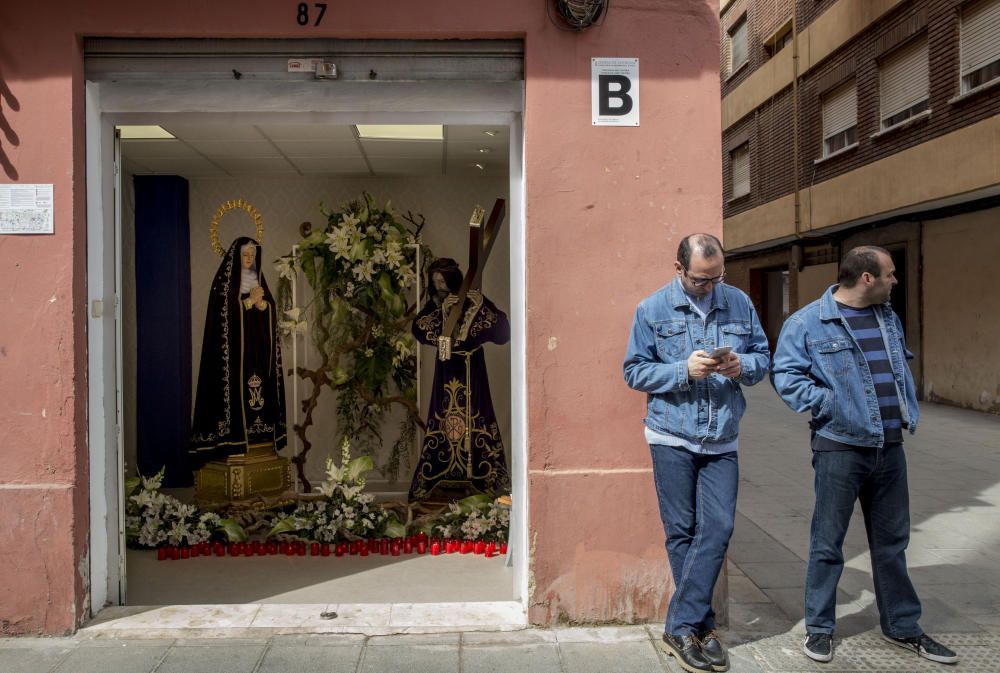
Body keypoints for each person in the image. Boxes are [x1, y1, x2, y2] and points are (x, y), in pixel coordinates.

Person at [771, 246, 958, 665]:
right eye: (890, 274)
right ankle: (819, 628)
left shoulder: (886, 317)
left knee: (892, 542)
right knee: (828, 542)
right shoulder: (807, 322)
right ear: (867, 278)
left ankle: (903, 626)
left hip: (890, 447)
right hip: (840, 446)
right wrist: (830, 403)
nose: (896, 280)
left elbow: (895, 368)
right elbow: (784, 376)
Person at [624, 233, 770, 673]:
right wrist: (681, 370)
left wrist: (742, 365)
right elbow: (634, 371)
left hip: (722, 436)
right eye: (701, 279)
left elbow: (763, 356)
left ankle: (680, 625)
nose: (710, 286)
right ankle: (701, 628)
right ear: (679, 269)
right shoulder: (651, 309)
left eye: (716, 277)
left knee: (719, 527)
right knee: (682, 531)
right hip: (672, 435)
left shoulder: (739, 303)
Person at [409, 257, 511, 502]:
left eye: (443, 281)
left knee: (477, 416)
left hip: (471, 367)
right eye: (435, 282)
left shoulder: (473, 298)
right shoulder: (435, 304)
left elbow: (502, 332)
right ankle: (443, 474)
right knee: (446, 417)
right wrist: (444, 314)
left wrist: (477, 308)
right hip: (447, 369)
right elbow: (420, 329)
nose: (439, 286)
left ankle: (481, 477)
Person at [190, 237, 287, 467]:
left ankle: (260, 438)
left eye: (253, 255)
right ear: (236, 257)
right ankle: (232, 442)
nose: (250, 259)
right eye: (246, 255)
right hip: (234, 361)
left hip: (256, 356)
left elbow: (269, 311)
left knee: (259, 397)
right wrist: (247, 304)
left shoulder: (257, 280)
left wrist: (264, 307)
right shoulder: (224, 287)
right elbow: (224, 317)